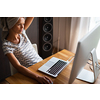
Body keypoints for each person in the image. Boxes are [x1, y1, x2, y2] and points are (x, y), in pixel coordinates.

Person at [0, 17, 53, 84]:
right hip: (32, 72)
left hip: (42, 64)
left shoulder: (22, 33)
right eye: (19, 24)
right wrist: (37, 77)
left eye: (23, 24)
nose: (22, 27)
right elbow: (18, 67)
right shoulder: (6, 45)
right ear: (11, 24)